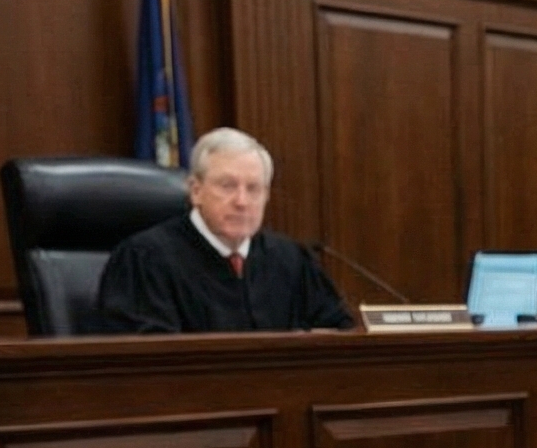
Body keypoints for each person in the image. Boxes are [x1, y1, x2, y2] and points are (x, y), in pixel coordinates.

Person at [94, 127, 352, 334]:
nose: (241, 201)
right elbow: (148, 361)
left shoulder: (292, 260)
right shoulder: (145, 259)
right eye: (227, 186)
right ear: (196, 190)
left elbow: (338, 330)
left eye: (253, 188)